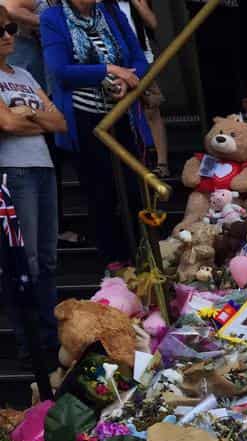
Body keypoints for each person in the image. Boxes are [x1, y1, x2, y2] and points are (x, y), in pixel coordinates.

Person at [41, 0, 151, 264]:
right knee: (101, 193)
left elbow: (138, 56)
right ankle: (114, 264)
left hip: (122, 116)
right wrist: (109, 70)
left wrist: (128, 79)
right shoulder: (53, 18)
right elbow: (60, 70)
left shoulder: (111, 12)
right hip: (84, 120)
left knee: (135, 190)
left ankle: (143, 257)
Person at [0, 4, 62, 368]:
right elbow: (6, 125)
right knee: (26, 262)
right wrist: (28, 118)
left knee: (49, 259)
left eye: (10, 29)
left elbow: (60, 122)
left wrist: (28, 116)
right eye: (1, 31)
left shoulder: (23, 73)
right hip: (12, 171)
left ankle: (52, 336)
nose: (8, 35)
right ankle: (31, 342)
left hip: (43, 167)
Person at [113, 0, 166, 176]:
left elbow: (153, 23)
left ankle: (161, 163)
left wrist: (137, 3)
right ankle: (133, 164)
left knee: (151, 109)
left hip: (142, 58)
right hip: (116, 61)